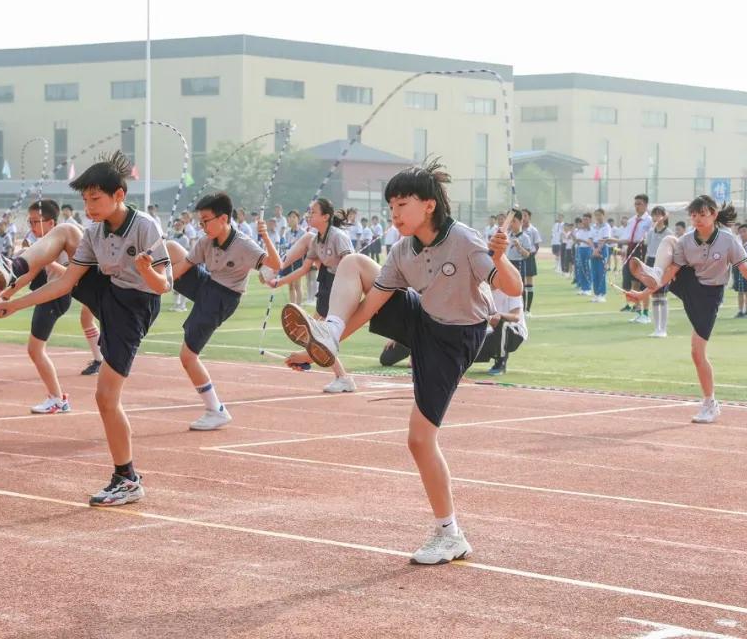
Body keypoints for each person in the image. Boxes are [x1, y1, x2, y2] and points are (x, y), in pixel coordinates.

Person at [278, 159, 522, 564]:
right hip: (422, 319)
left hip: (458, 337)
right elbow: (372, 304)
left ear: (429, 205)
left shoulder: (464, 240)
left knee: (419, 439)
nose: (395, 215)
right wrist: (322, 347)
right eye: (391, 207)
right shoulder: (401, 251)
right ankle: (329, 332)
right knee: (355, 262)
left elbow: (509, 288)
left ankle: (450, 535)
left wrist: (500, 258)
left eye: (402, 205)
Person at [0, 151, 171, 507]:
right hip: (108, 291)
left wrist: (147, 270)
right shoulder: (94, 232)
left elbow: (164, 286)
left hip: (135, 308)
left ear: (120, 195)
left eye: (95, 198)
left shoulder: (146, 226)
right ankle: (12, 267)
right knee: (68, 231)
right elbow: (65, 282)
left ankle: (127, 479)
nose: (89, 205)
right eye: (85, 199)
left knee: (105, 399)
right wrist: (12, 303)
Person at [625, 195, 747, 424]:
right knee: (669, 241)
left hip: (710, 295)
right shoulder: (687, 240)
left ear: (714, 215)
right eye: (693, 215)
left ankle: (710, 403)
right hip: (689, 281)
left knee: (697, 353)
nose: (696, 219)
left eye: (702, 215)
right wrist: (643, 293)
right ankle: (652, 273)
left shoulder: (728, 240)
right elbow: (672, 272)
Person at [167, 192, 281, 430]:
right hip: (208, 283)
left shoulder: (243, 244)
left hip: (223, 297)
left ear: (223, 218)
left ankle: (216, 410)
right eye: (201, 221)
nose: (203, 226)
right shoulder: (205, 241)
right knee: (171, 249)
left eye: (206, 220)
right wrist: (157, 282)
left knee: (187, 357)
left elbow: (275, 265)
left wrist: (265, 236)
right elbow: (183, 267)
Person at [0, 200, 76, 413]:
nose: (32, 226)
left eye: (36, 222)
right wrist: (5, 295)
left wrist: (47, 260)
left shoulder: (65, 244)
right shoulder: (39, 242)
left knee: (35, 350)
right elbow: (29, 274)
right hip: (44, 291)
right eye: (30, 221)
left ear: (51, 222)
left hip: (57, 295)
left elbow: (72, 278)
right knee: (34, 350)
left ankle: (58, 399)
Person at [271, 198, 358, 393]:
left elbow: (351, 266)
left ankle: (340, 376)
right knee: (314, 333)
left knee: (319, 334)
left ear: (326, 216)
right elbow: (304, 269)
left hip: (340, 285)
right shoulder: (316, 239)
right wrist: (279, 281)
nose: (308, 215)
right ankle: (314, 362)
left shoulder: (338, 237)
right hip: (326, 281)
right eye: (308, 212)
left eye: (313, 212)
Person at [476, 283, 527, 376]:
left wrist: (498, 315)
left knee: (502, 324)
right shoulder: (484, 292)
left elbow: (516, 317)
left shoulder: (511, 289)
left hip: (516, 332)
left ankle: (501, 363)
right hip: (494, 332)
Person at [616, 194, 652, 317]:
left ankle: (645, 312)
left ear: (646, 205)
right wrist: (615, 242)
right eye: (635, 204)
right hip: (631, 249)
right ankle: (637, 309)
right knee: (630, 280)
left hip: (642, 249)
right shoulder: (632, 220)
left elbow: (649, 237)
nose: (637, 206)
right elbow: (626, 237)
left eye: (639, 204)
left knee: (641, 281)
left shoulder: (649, 221)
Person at [643, 206, 671, 336]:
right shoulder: (650, 232)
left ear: (664, 217)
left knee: (662, 296)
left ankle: (663, 329)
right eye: (654, 215)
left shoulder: (668, 233)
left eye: (659, 215)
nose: (656, 217)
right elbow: (647, 250)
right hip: (651, 263)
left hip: (663, 264)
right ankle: (656, 328)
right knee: (654, 296)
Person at [520, 209, 541, 314]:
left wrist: (531, 255)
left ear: (529, 217)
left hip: (529, 257)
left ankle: (528, 309)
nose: (523, 218)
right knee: (520, 284)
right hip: (518, 257)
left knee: (529, 283)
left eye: (525, 216)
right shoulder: (518, 229)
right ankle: (521, 308)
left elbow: (537, 245)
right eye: (522, 215)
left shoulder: (533, 230)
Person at [589, 209, 612, 304]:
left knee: (601, 272)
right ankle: (596, 293)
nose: (598, 217)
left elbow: (605, 239)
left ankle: (602, 294)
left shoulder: (606, 226)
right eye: (596, 215)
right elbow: (590, 239)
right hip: (594, 248)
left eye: (599, 215)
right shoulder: (593, 226)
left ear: (603, 215)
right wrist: (594, 250)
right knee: (594, 273)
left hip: (602, 248)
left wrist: (598, 249)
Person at [573, 213, 593, 296]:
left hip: (588, 249)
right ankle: (583, 288)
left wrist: (581, 240)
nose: (584, 221)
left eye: (586, 219)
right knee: (581, 269)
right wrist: (576, 240)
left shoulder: (592, 230)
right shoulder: (580, 230)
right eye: (583, 219)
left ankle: (588, 288)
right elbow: (577, 241)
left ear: (590, 220)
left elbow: (590, 242)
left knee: (587, 268)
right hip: (580, 249)